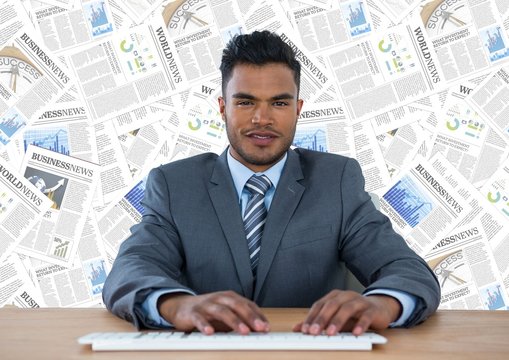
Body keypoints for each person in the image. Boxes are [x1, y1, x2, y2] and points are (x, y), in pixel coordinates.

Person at [103, 30, 440, 336]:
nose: (261, 119)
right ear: (222, 107)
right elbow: (131, 268)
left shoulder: (336, 180)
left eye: (279, 103)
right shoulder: (175, 185)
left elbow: (405, 268)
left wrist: (382, 304)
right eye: (245, 101)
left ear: (298, 109)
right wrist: (176, 305)